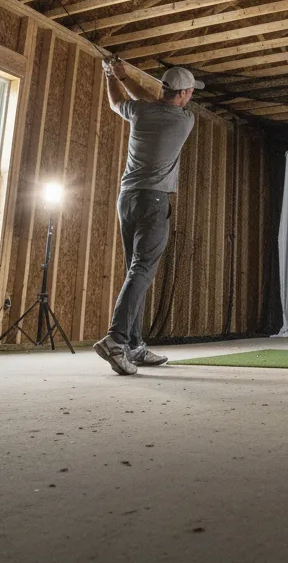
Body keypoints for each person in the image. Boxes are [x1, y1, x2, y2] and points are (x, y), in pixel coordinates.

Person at [93, 59, 203, 376]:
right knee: (141, 270)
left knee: (134, 271)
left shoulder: (142, 113)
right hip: (154, 201)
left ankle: (134, 345)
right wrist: (122, 75)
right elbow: (147, 96)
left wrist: (112, 76)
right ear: (184, 94)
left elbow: (118, 101)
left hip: (127, 199)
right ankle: (116, 339)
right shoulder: (184, 119)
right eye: (191, 91)